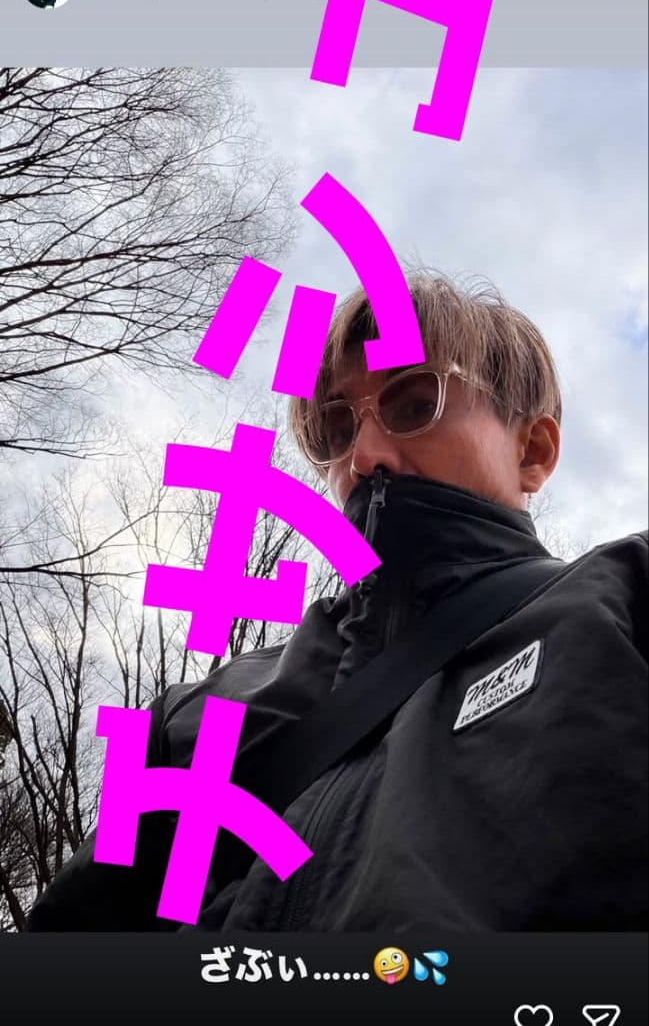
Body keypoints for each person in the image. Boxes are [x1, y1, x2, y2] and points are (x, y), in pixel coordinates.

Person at [26, 273, 648, 932]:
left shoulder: (624, 606)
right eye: (336, 428)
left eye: (415, 404)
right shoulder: (190, 719)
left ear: (533, 451)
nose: (364, 456)